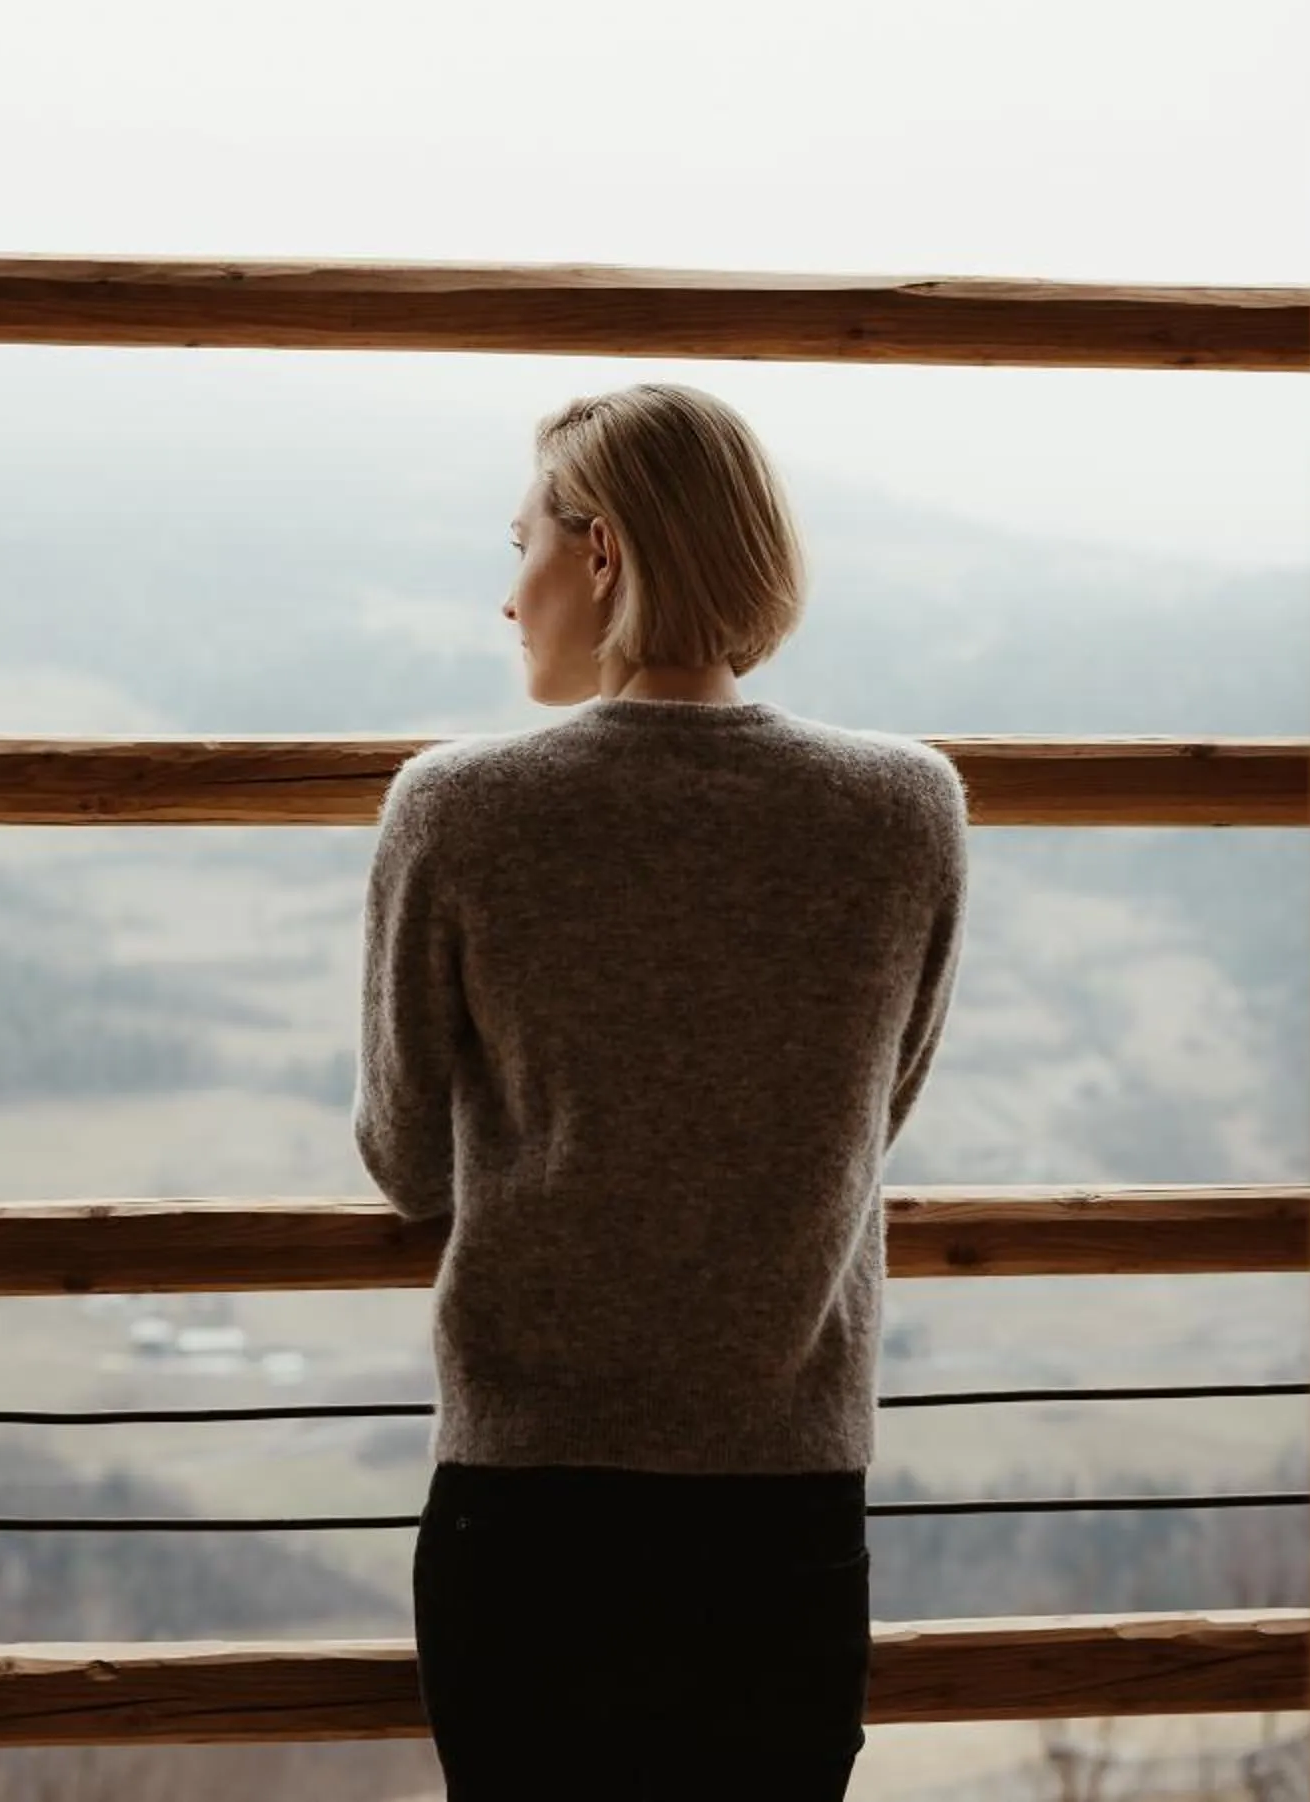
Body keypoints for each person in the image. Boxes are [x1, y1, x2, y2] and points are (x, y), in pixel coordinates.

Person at [353, 383, 968, 1801]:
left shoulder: (456, 808)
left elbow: (405, 1157)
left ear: (604, 552)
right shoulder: (905, 809)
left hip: (528, 1497)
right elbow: (874, 1109)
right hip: (785, 1503)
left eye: (524, 545)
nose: (511, 596)